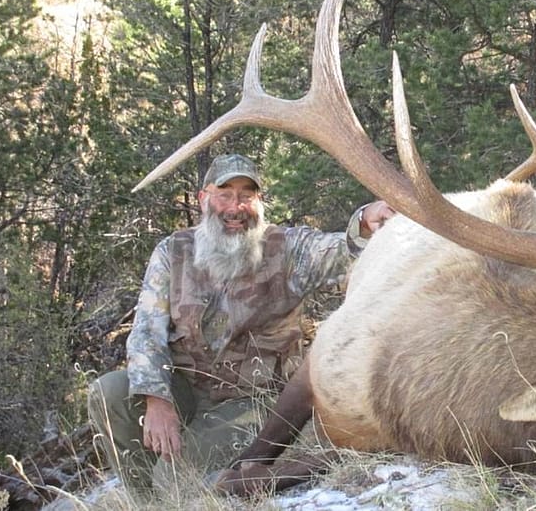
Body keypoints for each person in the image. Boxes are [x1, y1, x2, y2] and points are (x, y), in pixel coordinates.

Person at [87, 153, 395, 494]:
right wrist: (156, 399)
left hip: (255, 402)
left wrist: (366, 221)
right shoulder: (172, 252)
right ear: (204, 198)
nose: (235, 207)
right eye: (225, 194)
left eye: (246, 196)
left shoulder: (287, 249)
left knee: (174, 478)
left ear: (259, 202)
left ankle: (173, 489)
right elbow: (147, 332)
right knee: (109, 392)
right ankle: (145, 500)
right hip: (188, 389)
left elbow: (341, 250)